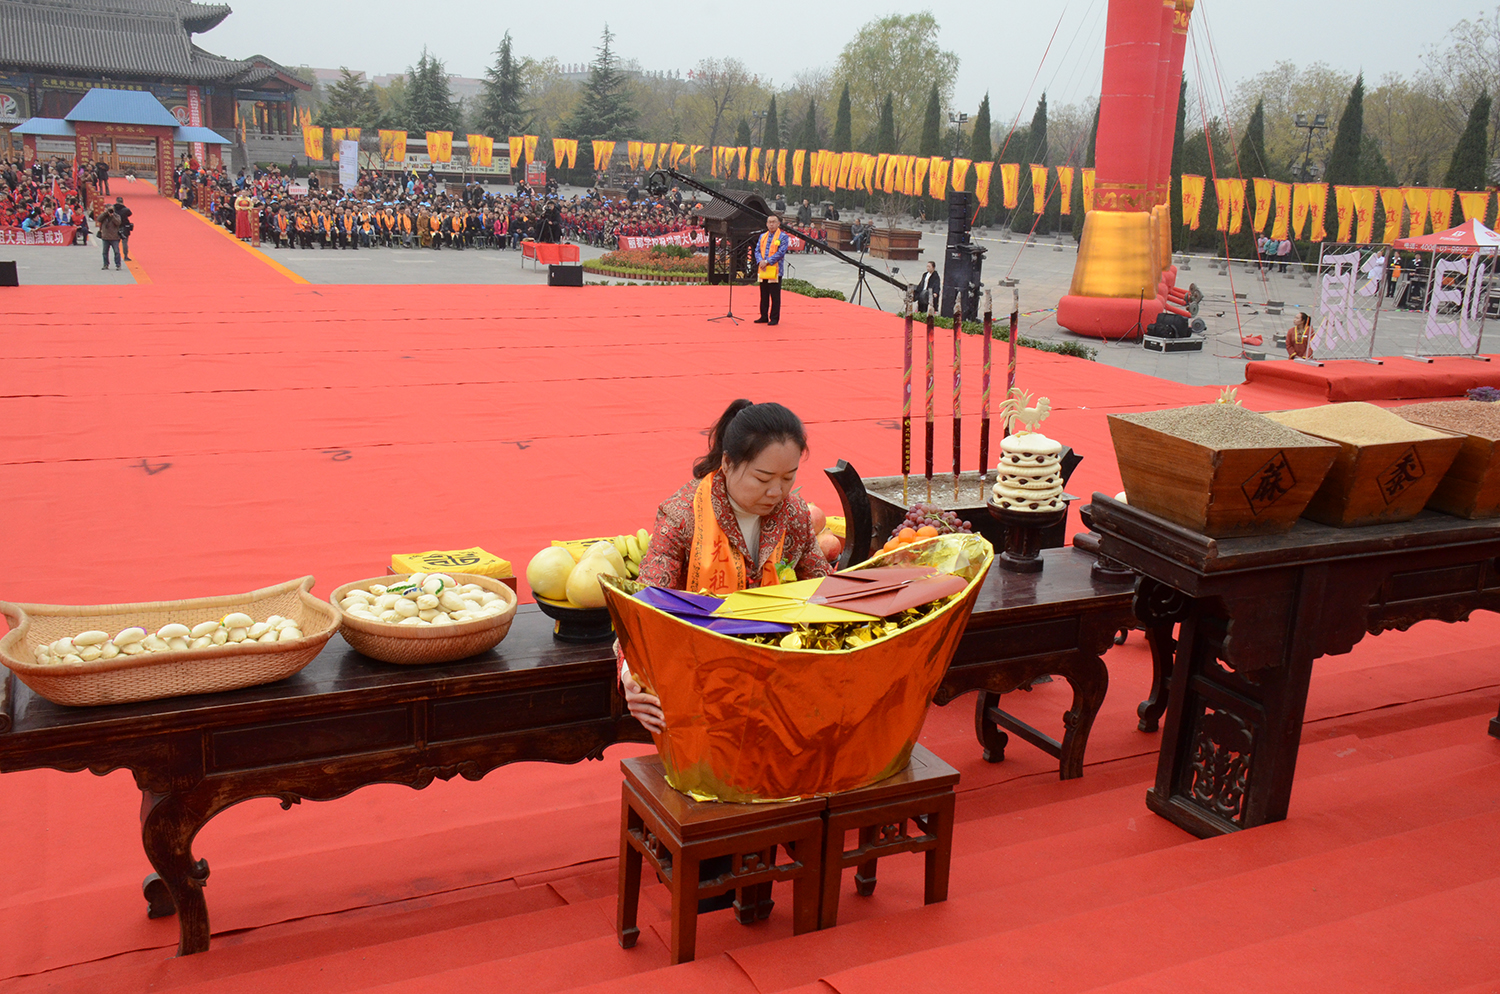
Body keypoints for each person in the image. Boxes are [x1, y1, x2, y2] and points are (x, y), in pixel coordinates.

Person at [621, 399, 834, 733]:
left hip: (778, 678)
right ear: (727, 462)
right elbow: (641, 604)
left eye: (788, 478)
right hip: (699, 679)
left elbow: (825, 586)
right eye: (763, 478)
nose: (776, 491)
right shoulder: (683, 516)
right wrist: (630, 677)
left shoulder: (793, 515)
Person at [753, 213, 788, 326]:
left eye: (774, 222)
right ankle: (763, 316)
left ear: (778, 224)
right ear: (766, 224)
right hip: (763, 269)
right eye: (769, 222)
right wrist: (760, 261)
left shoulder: (783, 237)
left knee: (775, 295)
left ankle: (774, 317)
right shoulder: (762, 236)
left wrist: (767, 262)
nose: (771, 224)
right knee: (763, 294)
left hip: (775, 270)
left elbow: (781, 252)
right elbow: (757, 250)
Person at [97, 203, 123, 270]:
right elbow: (98, 219)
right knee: (105, 252)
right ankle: (106, 264)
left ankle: (118, 265)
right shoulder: (104, 216)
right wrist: (105, 213)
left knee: (116, 251)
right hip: (105, 237)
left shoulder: (116, 216)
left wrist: (112, 216)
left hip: (114, 237)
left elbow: (118, 223)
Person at [113, 197, 133, 261]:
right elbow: (130, 214)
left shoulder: (113, 209)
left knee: (116, 243)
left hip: (115, 227)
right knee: (124, 242)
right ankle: (125, 256)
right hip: (124, 227)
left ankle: (117, 255)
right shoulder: (125, 209)